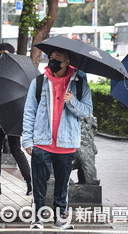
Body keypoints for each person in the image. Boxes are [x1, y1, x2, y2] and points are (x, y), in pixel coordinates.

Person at [22, 49, 93, 230]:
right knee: (39, 183)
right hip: (42, 142)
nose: (53, 61)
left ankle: (59, 217)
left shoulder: (79, 84)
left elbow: (87, 111)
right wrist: (27, 141)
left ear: (67, 61)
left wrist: (72, 101)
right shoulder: (38, 82)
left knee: (62, 185)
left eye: (58, 59)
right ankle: (37, 218)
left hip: (66, 143)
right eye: (51, 58)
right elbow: (29, 111)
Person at [0, 43, 32, 197]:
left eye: (6, 53)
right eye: (0, 53)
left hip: (14, 114)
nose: (2, 56)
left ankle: (30, 183)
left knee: (16, 149)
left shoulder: (17, 69)